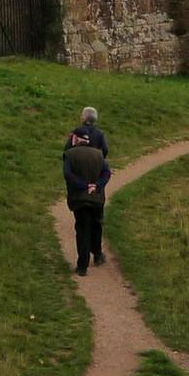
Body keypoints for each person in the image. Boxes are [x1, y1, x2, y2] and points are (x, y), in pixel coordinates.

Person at [63, 111, 111, 276]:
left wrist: (83, 186)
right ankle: (97, 255)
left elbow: (68, 174)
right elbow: (107, 173)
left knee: (82, 229)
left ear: (76, 139)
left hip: (79, 197)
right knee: (96, 224)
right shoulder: (99, 154)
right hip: (97, 196)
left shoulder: (70, 154)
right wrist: (96, 185)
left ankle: (82, 266)